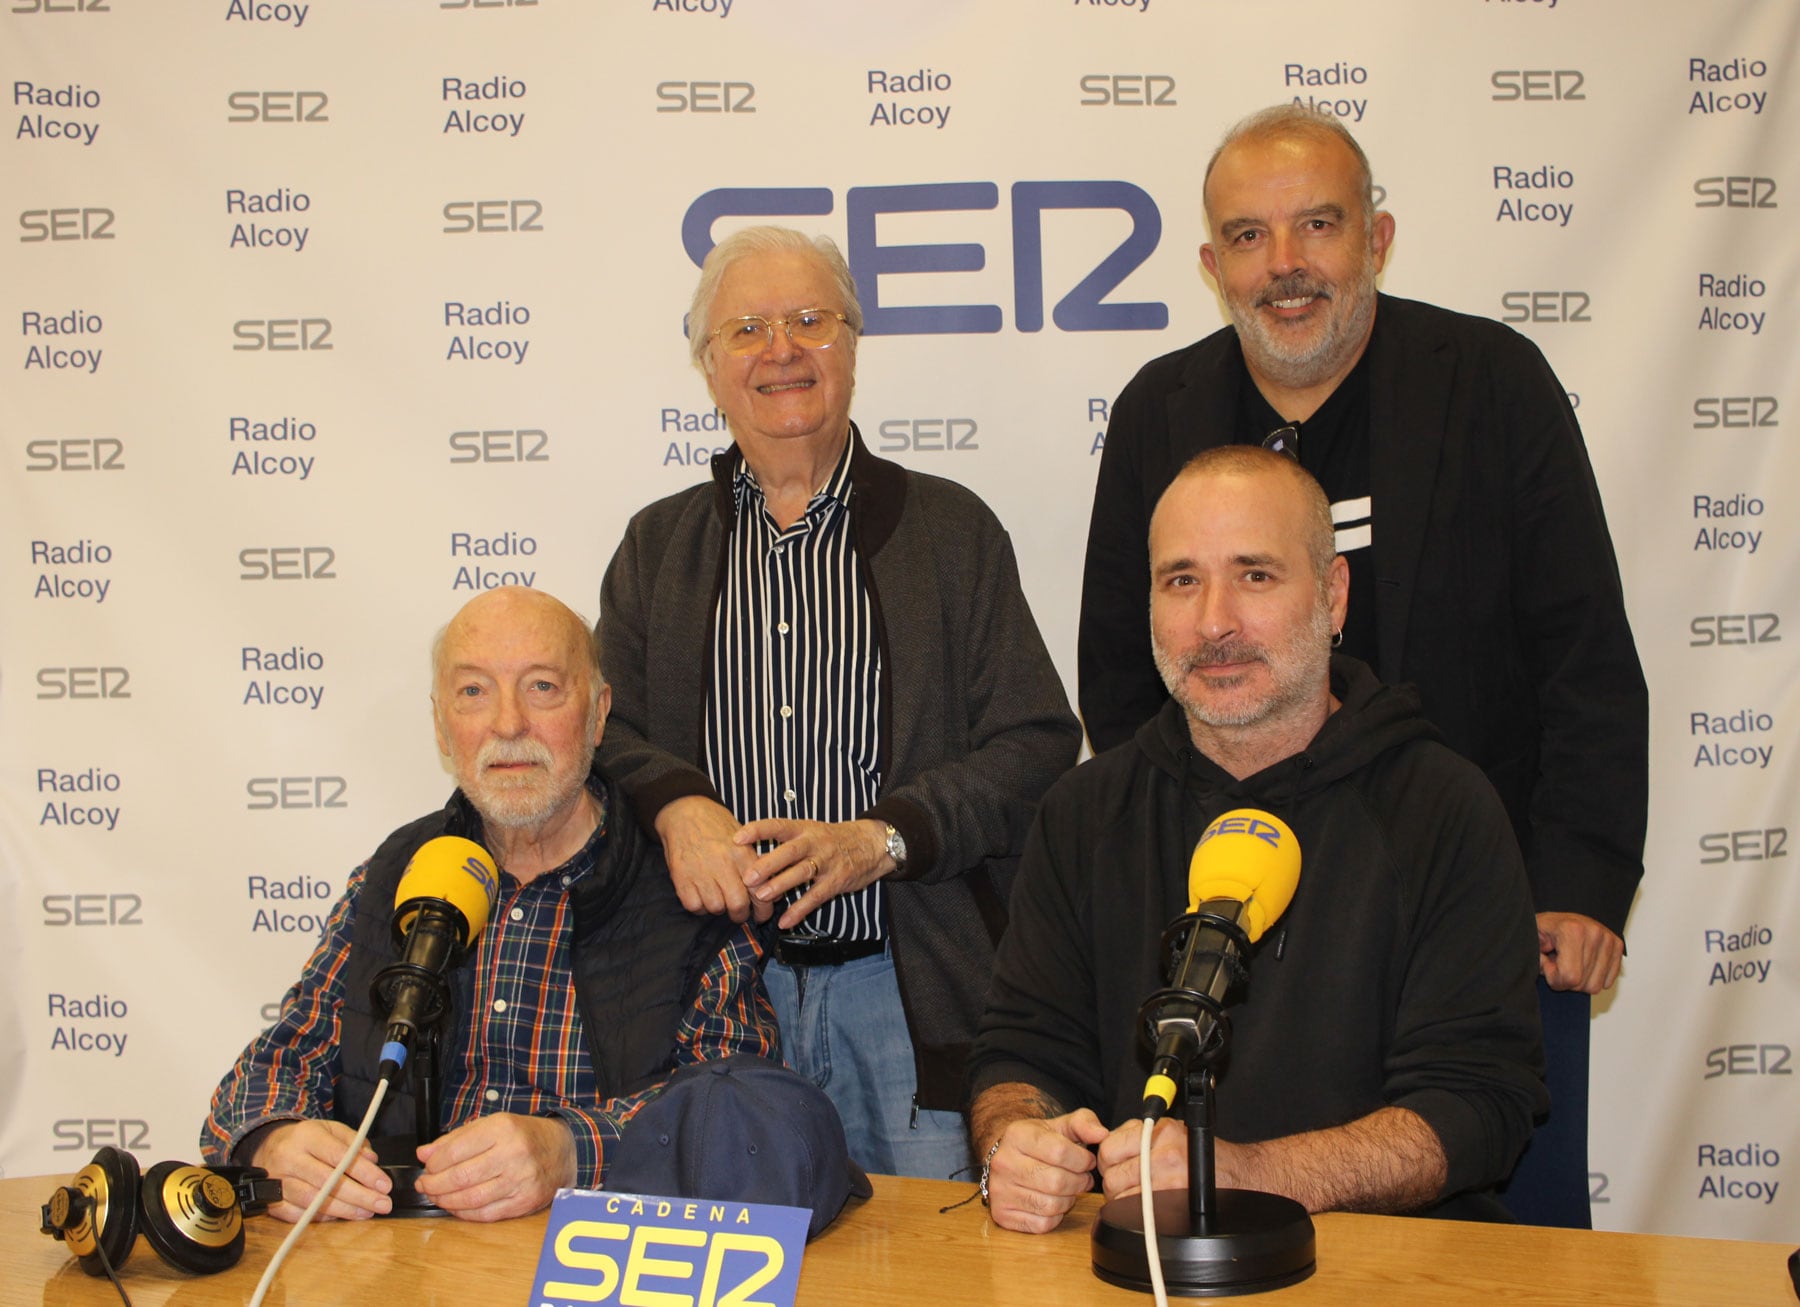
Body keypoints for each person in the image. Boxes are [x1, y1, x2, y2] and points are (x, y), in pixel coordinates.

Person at [1076, 105, 1645, 1225]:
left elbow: (1583, 648)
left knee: (1499, 1247)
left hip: (1482, 920)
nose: (1284, 266)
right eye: (1247, 236)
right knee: (1239, 1227)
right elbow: (1124, 671)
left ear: (1376, 239)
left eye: (1317, 226)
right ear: (1209, 265)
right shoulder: (1159, 412)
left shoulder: (1493, 382)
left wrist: (1580, 878)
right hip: (1237, 931)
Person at [598, 225, 1081, 1180]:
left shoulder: (951, 530)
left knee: (938, 1276)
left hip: (908, 1000)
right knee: (748, 1268)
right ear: (708, 364)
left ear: (853, 346)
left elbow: (1036, 740)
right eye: (746, 329)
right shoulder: (659, 548)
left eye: (810, 320)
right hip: (719, 997)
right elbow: (602, 727)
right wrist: (675, 803)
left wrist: (884, 837)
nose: (781, 349)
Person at [970, 447, 1546, 1232]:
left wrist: (1243, 1172)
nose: (1214, 622)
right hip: (1143, 1271)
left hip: (1386, 1273)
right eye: (1181, 579)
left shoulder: (1444, 807)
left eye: (1255, 575)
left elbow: (1479, 1104)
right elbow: (1021, 1053)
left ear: (1335, 596)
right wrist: (1017, 1139)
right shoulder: (1083, 811)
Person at [201, 586, 779, 1223]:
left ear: (598, 713)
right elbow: (278, 1061)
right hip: (407, 1268)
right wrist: (274, 1139)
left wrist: (572, 1150)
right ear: (442, 726)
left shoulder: (685, 883)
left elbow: (742, 1105)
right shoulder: (400, 869)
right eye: (474, 691)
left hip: (595, 1265)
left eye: (542, 688)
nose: (508, 724)